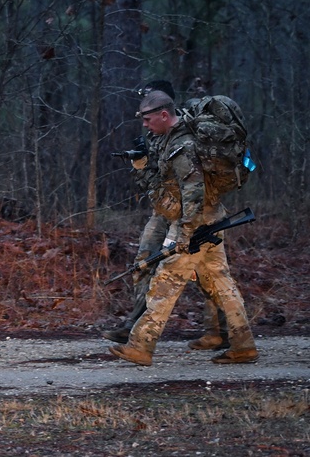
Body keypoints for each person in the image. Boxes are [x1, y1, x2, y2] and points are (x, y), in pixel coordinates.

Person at [108, 90, 258, 366]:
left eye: (149, 119)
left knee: (165, 282)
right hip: (208, 218)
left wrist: (186, 234)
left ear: (165, 115)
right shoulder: (170, 139)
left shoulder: (183, 146)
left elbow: (193, 190)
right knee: (222, 284)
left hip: (195, 221)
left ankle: (140, 345)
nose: (145, 124)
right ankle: (243, 345)